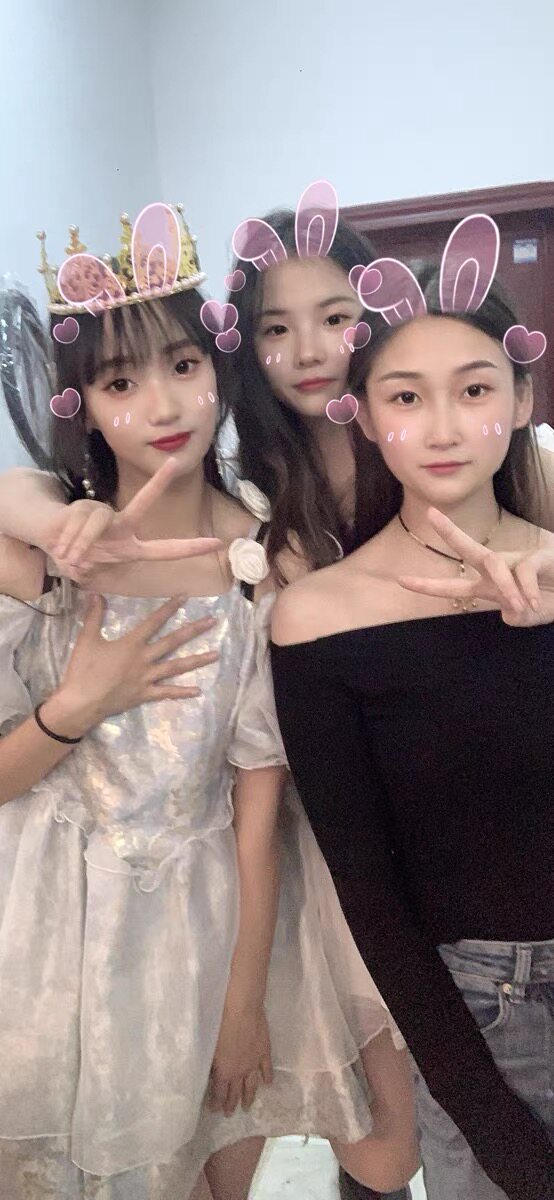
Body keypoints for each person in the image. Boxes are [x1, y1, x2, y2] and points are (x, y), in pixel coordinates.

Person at [0, 206, 418, 1200]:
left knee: (229, 1164)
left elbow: (257, 803)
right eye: (119, 382)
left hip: (212, 913)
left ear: (219, 372)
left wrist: (242, 1004)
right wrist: (73, 703)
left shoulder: (267, 557)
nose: (161, 403)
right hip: (50, 923)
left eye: (183, 365)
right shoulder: (44, 559)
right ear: (84, 406)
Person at [270, 270, 554, 1200]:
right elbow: (371, 891)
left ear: (522, 401)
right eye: (405, 397)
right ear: (363, 417)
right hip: (486, 1010)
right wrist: (489, 1120)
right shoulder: (319, 617)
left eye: (473, 390)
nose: (441, 428)